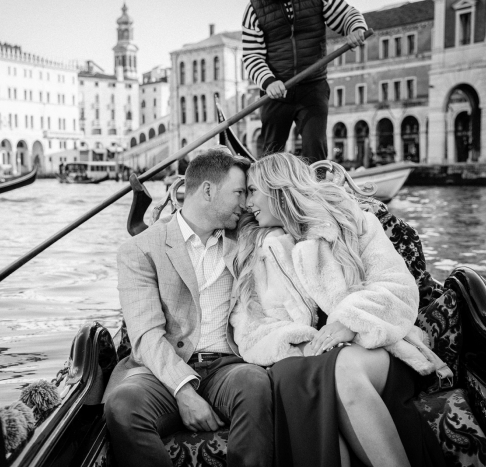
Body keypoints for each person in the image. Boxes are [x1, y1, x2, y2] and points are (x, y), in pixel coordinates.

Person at [231, 152, 448, 466]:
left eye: (252, 191)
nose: (247, 203)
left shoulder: (351, 221)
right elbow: (250, 326)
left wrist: (349, 321)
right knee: (312, 375)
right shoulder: (257, 248)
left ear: (277, 187)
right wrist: (303, 342)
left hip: (375, 347)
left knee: (342, 367)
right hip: (305, 358)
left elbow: (397, 286)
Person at [103, 148, 274, 467]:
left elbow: (286, 207)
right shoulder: (140, 249)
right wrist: (183, 391)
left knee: (255, 383)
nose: (245, 203)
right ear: (208, 190)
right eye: (238, 192)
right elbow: (145, 335)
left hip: (227, 367)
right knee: (122, 404)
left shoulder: (246, 235)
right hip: (161, 374)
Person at [242, 0, 368, 161]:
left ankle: (317, 182)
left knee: (316, 146)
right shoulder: (254, 8)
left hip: (313, 87)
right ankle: (270, 184)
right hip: (276, 90)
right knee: (271, 153)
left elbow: (346, 14)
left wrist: (356, 28)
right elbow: (252, 55)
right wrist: (268, 82)